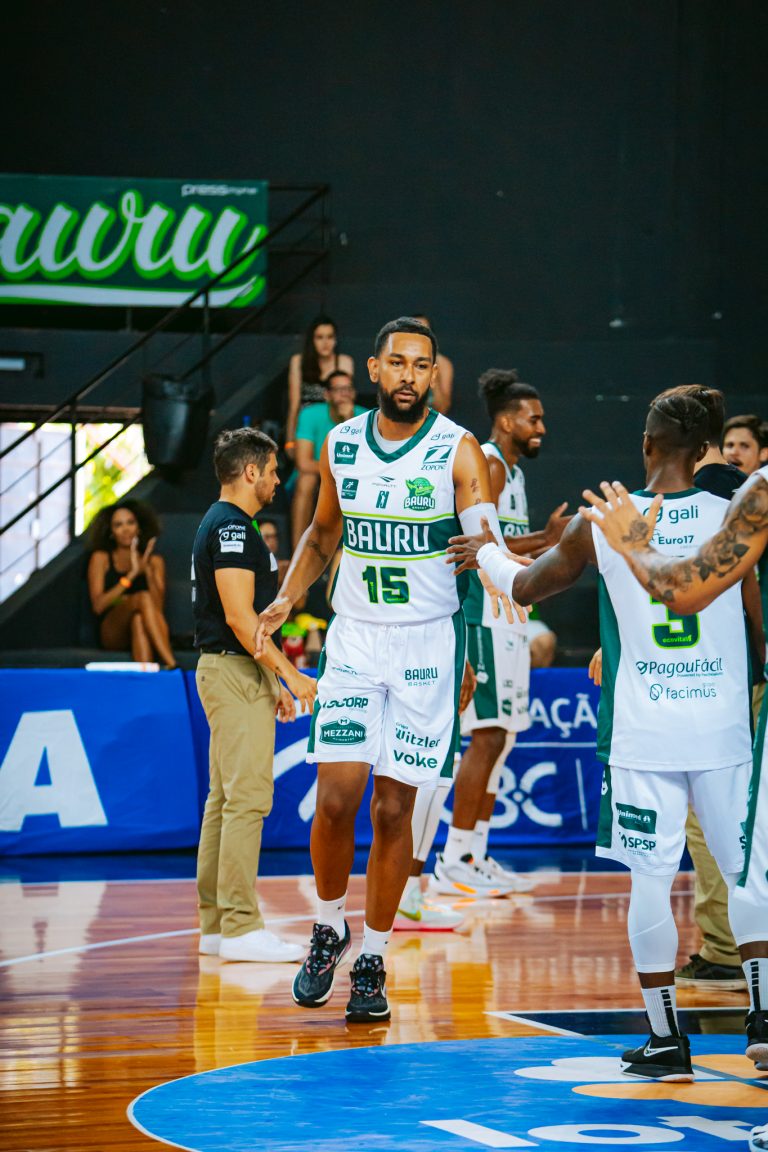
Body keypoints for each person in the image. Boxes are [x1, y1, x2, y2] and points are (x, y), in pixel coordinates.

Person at [451, 389, 768, 1082]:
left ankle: (665, 1040)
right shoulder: (736, 513)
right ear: (706, 451)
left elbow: (525, 587)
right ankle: (764, 1020)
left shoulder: (602, 519)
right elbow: (755, 621)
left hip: (643, 730)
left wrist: (486, 553)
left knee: (650, 881)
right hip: (723, 725)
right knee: (746, 871)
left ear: (646, 445)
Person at [254, 316, 520, 1022]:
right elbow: (324, 533)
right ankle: (327, 928)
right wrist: (287, 596)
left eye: (421, 364)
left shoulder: (457, 449)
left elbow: (484, 540)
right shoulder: (342, 443)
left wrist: (501, 580)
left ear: (433, 374)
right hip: (356, 640)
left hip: (428, 646)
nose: (409, 375)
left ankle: (373, 955)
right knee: (336, 800)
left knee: (394, 808)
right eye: (397, 362)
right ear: (373, 369)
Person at [405, 369, 569, 912]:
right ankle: (455, 859)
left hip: (510, 617)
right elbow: (481, 544)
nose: (540, 427)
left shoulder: (512, 472)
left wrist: (543, 540)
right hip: (484, 617)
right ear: (505, 421)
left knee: (502, 739)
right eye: (532, 419)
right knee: (486, 735)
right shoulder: (491, 464)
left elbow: (503, 541)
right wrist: (548, 541)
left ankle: (473, 853)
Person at [192, 428, 317, 963]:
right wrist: (289, 676)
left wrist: (270, 681)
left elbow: (247, 623)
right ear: (249, 472)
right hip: (233, 669)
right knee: (245, 801)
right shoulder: (233, 529)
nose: (276, 481)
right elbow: (241, 621)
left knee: (224, 801)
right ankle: (241, 927)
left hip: (235, 671)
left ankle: (217, 926)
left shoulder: (221, 523)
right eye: (271, 471)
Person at [87, 499, 176, 668]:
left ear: (139, 527)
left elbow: (158, 608)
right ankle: (172, 664)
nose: (126, 529)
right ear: (111, 532)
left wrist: (146, 570)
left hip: (146, 629)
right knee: (142, 597)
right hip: (112, 631)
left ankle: (147, 679)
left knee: (138, 619)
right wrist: (132, 575)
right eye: (118, 525)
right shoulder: (101, 558)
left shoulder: (155, 561)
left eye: (130, 522)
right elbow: (98, 606)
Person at [291, 370, 366, 549]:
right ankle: (297, 552)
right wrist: (339, 469)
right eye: (338, 389)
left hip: (352, 478)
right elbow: (303, 463)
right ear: (327, 394)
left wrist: (349, 420)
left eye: (348, 389)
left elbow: (365, 461)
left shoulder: (365, 417)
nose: (344, 394)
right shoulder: (310, 414)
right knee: (306, 480)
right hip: (317, 475)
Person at [286, 317, 354, 457]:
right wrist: (289, 441)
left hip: (333, 423)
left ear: (336, 339)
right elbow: (294, 405)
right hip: (306, 425)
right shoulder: (299, 361)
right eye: (319, 337)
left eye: (330, 337)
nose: (325, 343)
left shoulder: (344, 361)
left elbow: (347, 400)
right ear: (312, 340)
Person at [411, 314, 453, 414]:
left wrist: (432, 366)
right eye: (413, 331)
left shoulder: (442, 363)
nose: (418, 336)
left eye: (423, 331)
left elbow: (442, 408)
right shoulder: (396, 361)